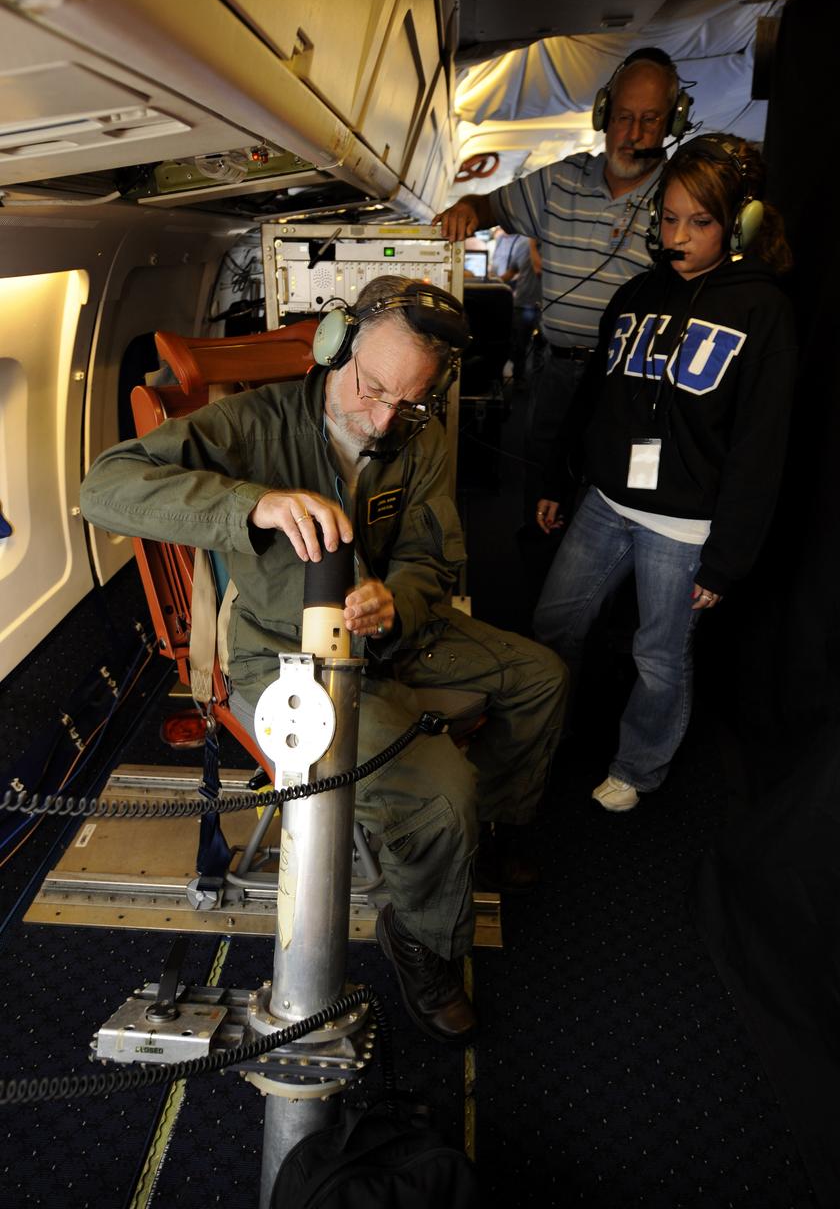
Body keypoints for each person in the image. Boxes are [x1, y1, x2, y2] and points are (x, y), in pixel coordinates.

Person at [80, 275, 567, 1043]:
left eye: (404, 403)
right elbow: (104, 487)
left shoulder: (419, 437)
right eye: (370, 388)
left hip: (390, 638)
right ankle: (425, 943)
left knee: (542, 679)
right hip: (285, 660)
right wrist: (251, 503)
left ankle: (487, 836)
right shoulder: (252, 423)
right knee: (439, 796)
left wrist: (396, 601)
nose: (380, 419)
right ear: (334, 346)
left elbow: (429, 563)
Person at [532, 134, 796, 811]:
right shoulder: (635, 293)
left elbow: (761, 444)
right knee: (554, 625)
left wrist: (726, 559)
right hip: (604, 501)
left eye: (699, 222)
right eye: (669, 218)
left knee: (658, 656)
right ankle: (536, 735)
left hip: (684, 527)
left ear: (736, 224)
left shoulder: (761, 309)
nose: (679, 235)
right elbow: (595, 399)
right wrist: (559, 481)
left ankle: (638, 767)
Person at [435, 47, 692, 517]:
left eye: (650, 120)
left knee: (625, 497)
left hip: (633, 381)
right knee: (544, 493)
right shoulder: (559, 181)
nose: (633, 134)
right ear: (603, 115)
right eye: (622, 117)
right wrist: (468, 208)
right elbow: (489, 205)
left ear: (673, 122)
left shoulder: (681, 196)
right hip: (558, 372)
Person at [490, 230, 542, 383]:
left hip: (541, 305)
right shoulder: (522, 247)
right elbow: (512, 271)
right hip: (522, 302)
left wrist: (532, 246)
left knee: (539, 348)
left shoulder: (549, 250)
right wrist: (492, 282)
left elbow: (539, 269)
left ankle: (537, 382)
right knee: (518, 346)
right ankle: (519, 380)